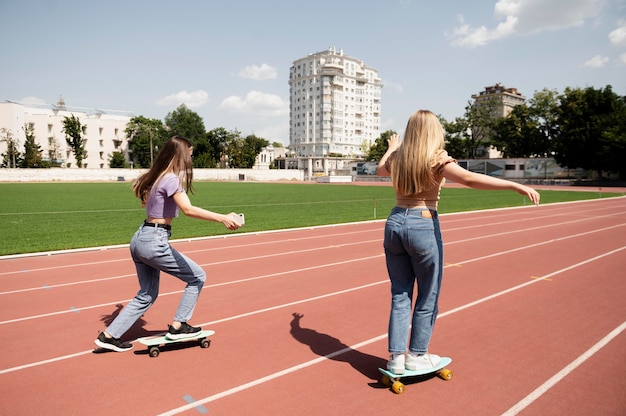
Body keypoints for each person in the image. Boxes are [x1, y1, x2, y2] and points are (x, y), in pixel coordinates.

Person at [376, 110, 540, 374]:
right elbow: (470, 179)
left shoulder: (398, 157)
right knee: (428, 294)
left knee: (400, 294)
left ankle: (396, 357)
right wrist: (514, 186)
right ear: (433, 132)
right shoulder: (436, 157)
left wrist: (392, 147)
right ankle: (417, 355)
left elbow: (380, 170)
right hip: (423, 222)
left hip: (394, 222)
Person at [95, 135, 242, 352]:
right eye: (189, 154)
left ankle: (109, 336)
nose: (190, 160)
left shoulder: (155, 178)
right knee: (197, 277)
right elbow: (188, 210)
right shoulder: (171, 179)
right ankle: (179, 324)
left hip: (139, 239)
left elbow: (148, 202)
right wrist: (223, 218)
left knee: (147, 294)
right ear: (181, 155)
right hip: (155, 241)